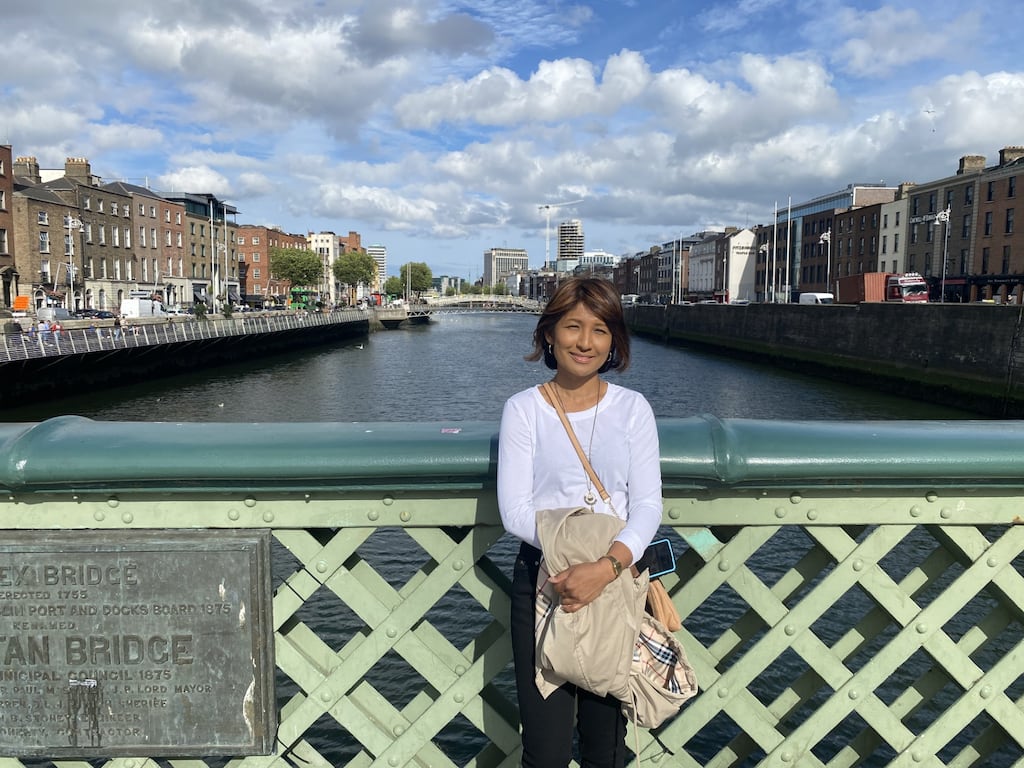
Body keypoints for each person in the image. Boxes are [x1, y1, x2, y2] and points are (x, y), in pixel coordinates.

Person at [497, 277, 663, 768]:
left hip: (614, 580)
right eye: (572, 327)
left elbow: (648, 505)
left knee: (606, 748)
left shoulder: (633, 410)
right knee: (544, 753)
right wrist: (579, 563)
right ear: (549, 334)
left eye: (600, 330)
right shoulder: (524, 410)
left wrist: (607, 567)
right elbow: (514, 511)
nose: (585, 342)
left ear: (615, 341)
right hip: (545, 580)